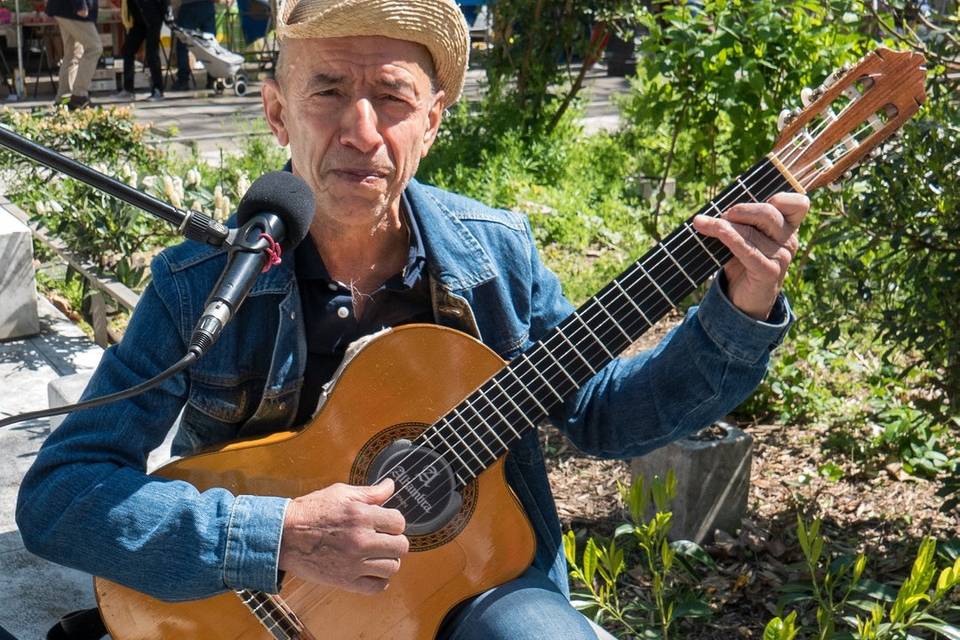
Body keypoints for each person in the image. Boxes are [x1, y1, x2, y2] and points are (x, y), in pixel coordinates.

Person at [16, 0, 810, 638]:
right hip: (246, 609)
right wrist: (278, 534)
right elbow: (60, 497)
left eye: (393, 97)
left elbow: (602, 417)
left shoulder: (495, 258)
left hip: (474, 586)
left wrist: (739, 312)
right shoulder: (199, 286)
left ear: (432, 123)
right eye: (328, 90)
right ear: (277, 112)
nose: (362, 131)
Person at [46, 0, 104, 109]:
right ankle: (79, 95)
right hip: (73, 9)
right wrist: (80, 4)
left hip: (65, 9)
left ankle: (63, 98)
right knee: (94, 48)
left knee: (72, 53)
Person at [115, 0, 168, 100]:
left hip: (153, 18)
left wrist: (166, 13)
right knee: (128, 50)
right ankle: (128, 89)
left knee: (151, 53)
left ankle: (158, 90)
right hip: (139, 19)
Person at [170, 0, 215, 90]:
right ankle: (213, 78)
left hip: (189, 6)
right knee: (210, 44)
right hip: (207, 6)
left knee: (183, 43)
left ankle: (183, 80)